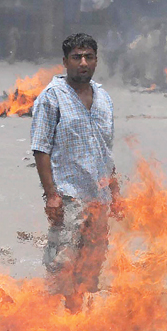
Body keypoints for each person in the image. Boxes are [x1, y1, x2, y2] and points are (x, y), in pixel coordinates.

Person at [31, 33, 120, 313]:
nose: (83, 63)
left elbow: (106, 150)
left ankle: (80, 324)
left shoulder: (103, 97)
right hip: (69, 197)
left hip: (99, 197)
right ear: (65, 61)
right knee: (62, 264)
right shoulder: (51, 98)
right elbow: (41, 149)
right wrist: (51, 196)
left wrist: (115, 191)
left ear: (96, 60)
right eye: (76, 57)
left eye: (89, 57)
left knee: (91, 266)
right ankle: (51, 326)